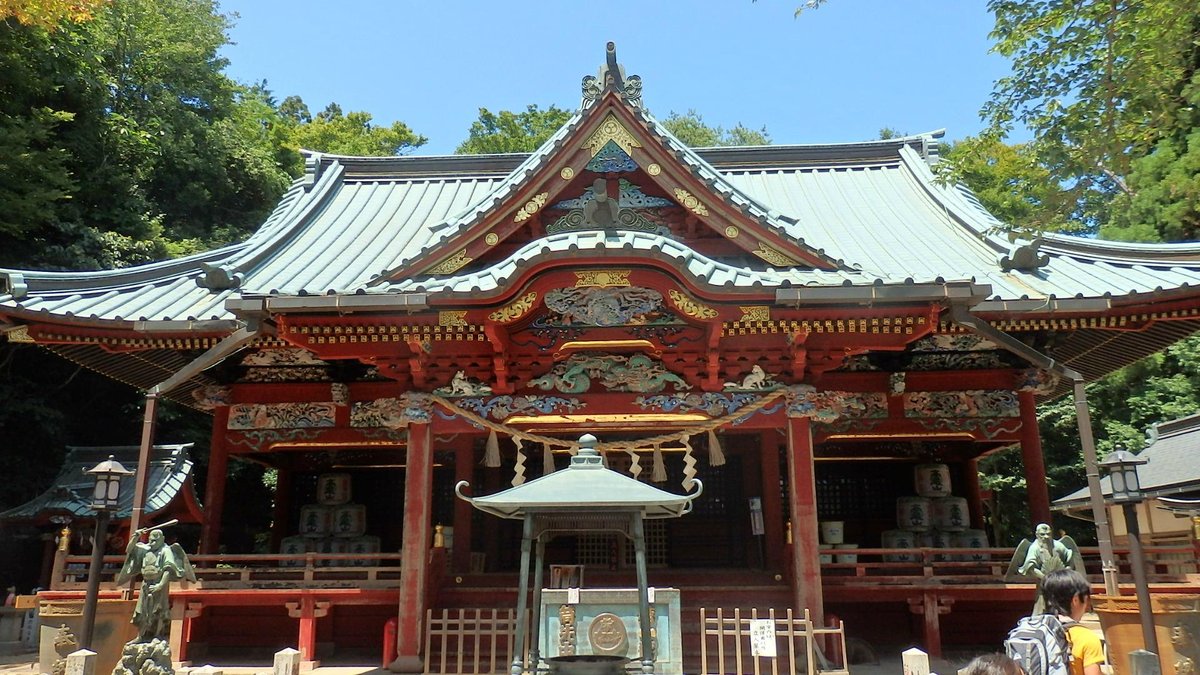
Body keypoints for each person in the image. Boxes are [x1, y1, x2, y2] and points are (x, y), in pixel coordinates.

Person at [115, 528, 195, 642]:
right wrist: (135, 537)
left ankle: (158, 635)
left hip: (159, 583)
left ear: (162, 539)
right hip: (146, 583)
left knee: (158, 610)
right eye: (151, 540)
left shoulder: (165, 550)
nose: (152, 543)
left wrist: (161, 585)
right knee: (142, 610)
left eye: (155, 541)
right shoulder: (145, 549)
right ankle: (141, 635)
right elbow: (129, 550)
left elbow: (168, 568)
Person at [1040, 569, 1103, 675]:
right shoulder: (1086, 637)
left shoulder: (1034, 631)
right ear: (1076, 600)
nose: (1087, 605)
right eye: (1086, 599)